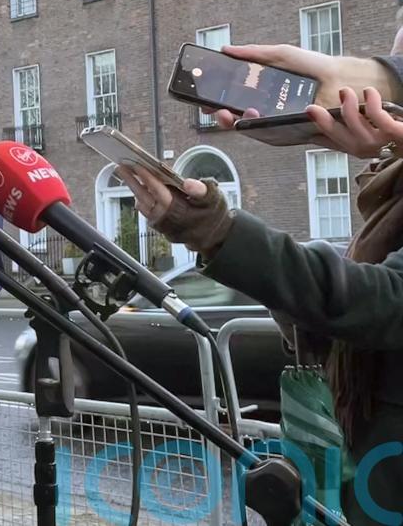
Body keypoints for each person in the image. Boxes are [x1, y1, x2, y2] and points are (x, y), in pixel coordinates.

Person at [116, 31, 403, 523]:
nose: (378, 91)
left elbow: (382, 302)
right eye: (392, 61)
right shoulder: (388, 193)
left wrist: (218, 232)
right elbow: (348, 317)